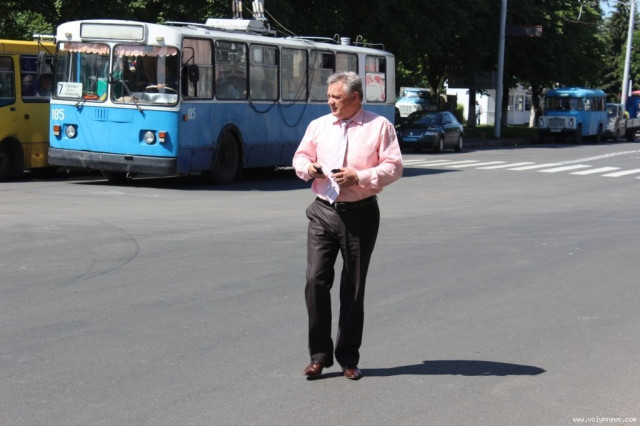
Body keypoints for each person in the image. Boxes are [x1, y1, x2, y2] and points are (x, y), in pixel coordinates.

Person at [292, 71, 403, 380]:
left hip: (360, 214)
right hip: (323, 211)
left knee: (352, 287)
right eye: (329, 96)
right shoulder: (319, 126)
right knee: (315, 281)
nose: (330, 102)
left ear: (355, 98)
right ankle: (319, 356)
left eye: (336, 97)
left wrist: (360, 177)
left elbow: (394, 167)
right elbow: (300, 158)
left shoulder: (379, 127)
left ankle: (348, 358)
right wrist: (309, 168)